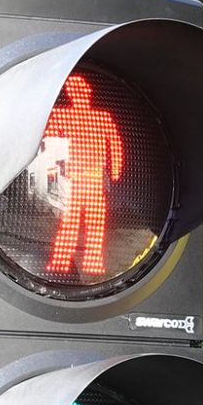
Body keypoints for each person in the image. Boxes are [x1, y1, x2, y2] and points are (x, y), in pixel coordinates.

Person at [42, 73, 124, 276]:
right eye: (75, 90)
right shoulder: (61, 115)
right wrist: (50, 168)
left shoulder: (102, 117)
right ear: (70, 93)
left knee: (94, 223)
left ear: (88, 92)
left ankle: (92, 262)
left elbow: (115, 144)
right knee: (71, 223)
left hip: (93, 179)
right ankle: (61, 261)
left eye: (82, 90)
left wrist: (115, 170)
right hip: (74, 180)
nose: (79, 94)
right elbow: (49, 141)